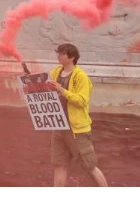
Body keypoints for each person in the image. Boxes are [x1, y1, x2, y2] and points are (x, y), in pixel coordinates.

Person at [48, 43, 108, 187]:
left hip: (77, 130)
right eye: (58, 52)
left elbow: (82, 101)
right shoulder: (56, 72)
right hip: (59, 127)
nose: (58, 55)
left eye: (62, 53)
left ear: (71, 57)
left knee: (90, 166)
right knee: (59, 165)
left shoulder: (81, 77)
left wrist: (62, 90)